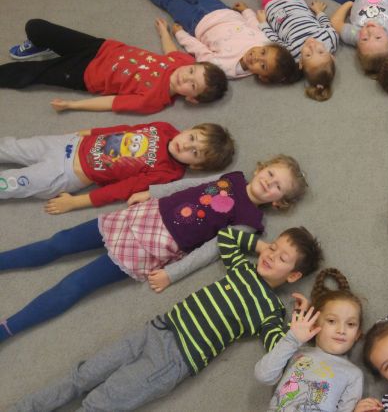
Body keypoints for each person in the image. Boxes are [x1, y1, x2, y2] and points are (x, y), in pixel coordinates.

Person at [10, 226, 323, 411]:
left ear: (293, 275)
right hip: (157, 328)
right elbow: (226, 237)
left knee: (101, 403)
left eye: (282, 258)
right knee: (83, 375)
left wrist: (296, 327)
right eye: (273, 247)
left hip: (176, 358)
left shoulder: (271, 309)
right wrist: (261, 245)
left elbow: (276, 349)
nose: (270, 255)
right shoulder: (242, 267)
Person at [0, 156, 309, 342]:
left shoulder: (250, 221)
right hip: (142, 215)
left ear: (278, 202)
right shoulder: (234, 177)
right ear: (261, 168)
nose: (269, 183)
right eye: (271, 174)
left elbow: (212, 250)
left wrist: (172, 274)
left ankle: (8, 328)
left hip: (155, 245)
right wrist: (152, 192)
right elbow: (189, 186)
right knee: (61, 241)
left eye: (277, 187)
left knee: (76, 283)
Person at [0, 122, 235, 213]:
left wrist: (75, 202)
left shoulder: (168, 172)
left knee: (12, 183)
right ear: (189, 129)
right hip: (70, 143)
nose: (185, 145)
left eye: (194, 153)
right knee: (13, 147)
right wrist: (87, 132)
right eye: (192, 138)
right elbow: (124, 130)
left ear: (195, 166)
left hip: (66, 173)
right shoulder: (164, 128)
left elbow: (122, 190)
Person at [1, 19, 227, 114]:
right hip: (99, 48)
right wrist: (164, 33)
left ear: (191, 99)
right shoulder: (184, 62)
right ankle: (40, 46)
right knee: (36, 26)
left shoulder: (153, 100)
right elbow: (171, 53)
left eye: (192, 85)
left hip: (84, 74)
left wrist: (73, 105)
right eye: (191, 72)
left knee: (28, 73)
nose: (185, 77)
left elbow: (111, 103)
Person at [128, 0, 301, 83]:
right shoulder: (264, 40)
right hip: (219, 8)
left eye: (262, 65)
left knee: (167, 0)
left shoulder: (227, 68)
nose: (256, 56)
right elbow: (254, 24)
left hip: (195, 23)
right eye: (263, 52)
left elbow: (201, 52)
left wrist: (181, 35)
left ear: (262, 77)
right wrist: (246, 11)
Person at [255, 268, 363, 411]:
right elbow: (263, 375)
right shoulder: (296, 351)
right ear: (314, 324)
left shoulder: (353, 374)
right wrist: (293, 338)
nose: (341, 330)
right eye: (331, 321)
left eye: (351, 324)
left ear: (357, 334)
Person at [251, 0, 339, 101]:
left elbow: (275, 41)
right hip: (296, 0)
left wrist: (263, 24)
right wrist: (319, 11)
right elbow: (326, 24)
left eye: (308, 54)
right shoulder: (331, 39)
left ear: (301, 63)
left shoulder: (293, 53)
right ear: (331, 56)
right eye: (320, 51)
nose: (312, 46)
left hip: (274, 9)